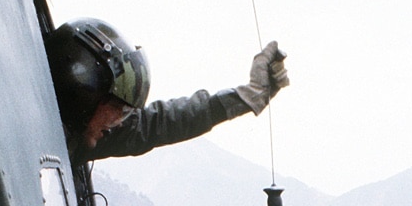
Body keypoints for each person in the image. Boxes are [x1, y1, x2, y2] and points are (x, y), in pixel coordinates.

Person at [44, 18, 288, 163]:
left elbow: (158, 124)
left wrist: (245, 97)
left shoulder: (76, 134)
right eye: (118, 109)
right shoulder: (44, 139)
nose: (119, 123)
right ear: (83, 94)